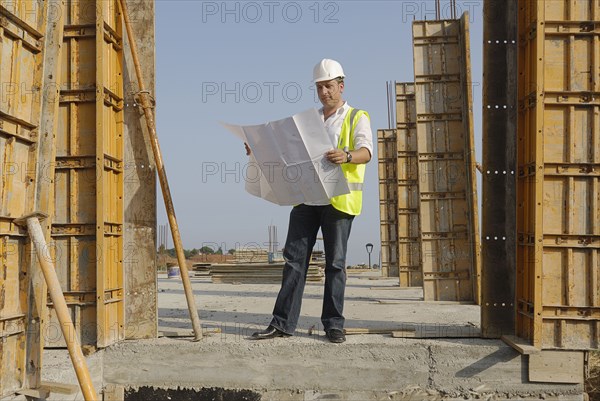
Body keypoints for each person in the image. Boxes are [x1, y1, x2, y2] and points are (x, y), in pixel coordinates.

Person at [250, 59, 373, 343]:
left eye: (328, 86)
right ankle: (282, 323)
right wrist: (257, 148)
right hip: (306, 199)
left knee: (336, 264)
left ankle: (333, 325)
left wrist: (347, 155)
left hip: (339, 201)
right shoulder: (309, 120)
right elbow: (285, 151)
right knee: (294, 261)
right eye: (319, 87)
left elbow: (366, 152)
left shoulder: (357, 117)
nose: (324, 92)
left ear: (341, 86)